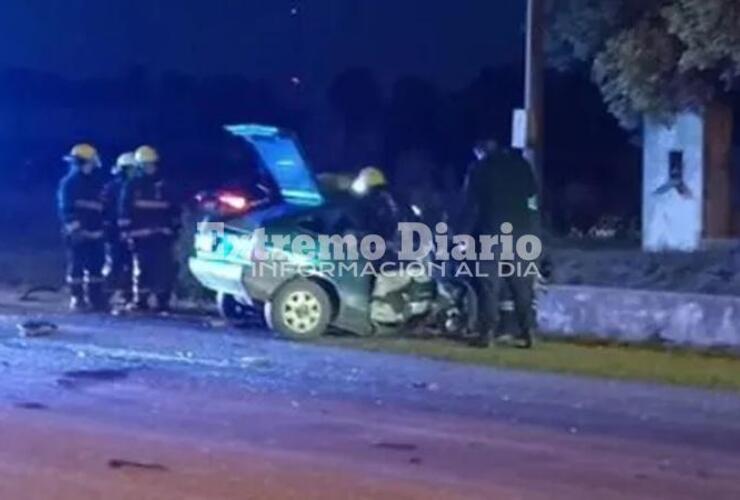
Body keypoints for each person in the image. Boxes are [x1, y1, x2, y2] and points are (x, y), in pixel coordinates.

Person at [461, 139, 539, 349]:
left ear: (480, 150)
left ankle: (487, 334)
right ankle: (528, 331)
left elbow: (471, 205)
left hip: (492, 232)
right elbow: (532, 197)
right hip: (522, 233)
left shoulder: (479, 168)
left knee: (489, 285)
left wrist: (462, 236)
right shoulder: (521, 164)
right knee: (522, 284)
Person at [119, 146, 181, 312]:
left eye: (152, 164)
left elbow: (175, 210)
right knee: (142, 269)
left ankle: (163, 301)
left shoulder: (164, 185)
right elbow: (125, 211)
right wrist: (126, 233)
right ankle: (141, 301)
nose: (150, 168)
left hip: (162, 235)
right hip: (141, 236)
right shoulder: (132, 186)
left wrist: (173, 230)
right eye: (146, 165)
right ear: (139, 166)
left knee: (164, 269)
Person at [57, 143, 107, 311]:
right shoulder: (69, 183)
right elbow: (66, 209)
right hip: (78, 232)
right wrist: (76, 229)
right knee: (77, 266)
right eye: (91, 162)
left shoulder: (96, 183)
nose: (93, 165)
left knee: (96, 267)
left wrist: (101, 229)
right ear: (84, 162)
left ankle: (96, 299)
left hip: (95, 232)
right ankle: (77, 298)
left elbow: (101, 208)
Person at [102, 152, 138, 306]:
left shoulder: (136, 187)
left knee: (130, 264)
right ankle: (105, 294)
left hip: (130, 231)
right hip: (114, 232)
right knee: (114, 263)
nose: (134, 172)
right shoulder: (112, 187)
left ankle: (127, 294)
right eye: (131, 169)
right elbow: (104, 209)